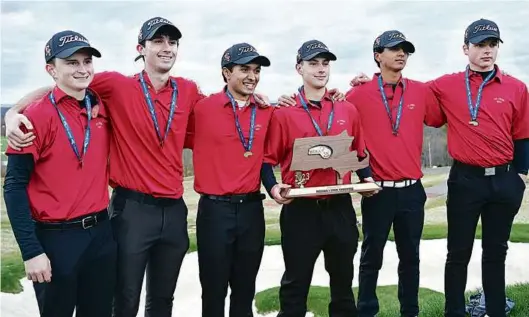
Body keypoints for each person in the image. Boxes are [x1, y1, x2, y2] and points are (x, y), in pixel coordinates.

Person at [5, 17, 204, 317]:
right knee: (122, 299)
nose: (167, 48)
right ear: (141, 48)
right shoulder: (114, 86)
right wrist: (13, 113)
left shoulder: (185, 90)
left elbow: (219, 112)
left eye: (172, 42)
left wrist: (262, 99)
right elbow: (57, 89)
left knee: (153, 301)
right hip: (114, 216)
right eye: (158, 41)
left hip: (146, 218)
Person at [350, 19, 528, 317]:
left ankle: (495, 310)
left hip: (502, 180)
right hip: (462, 180)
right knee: (455, 253)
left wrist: (520, 177)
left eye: (492, 45)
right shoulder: (444, 84)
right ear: (465, 48)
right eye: (480, 45)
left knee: (495, 252)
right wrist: (358, 82)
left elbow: (523, 135)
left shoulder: (514, 87)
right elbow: (373, 98)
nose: (487, 50)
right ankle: (452, 312)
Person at [3, 30, 116, 317]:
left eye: (87, 61)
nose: (82, 69)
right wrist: (30, 251)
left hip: (102, 234)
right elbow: (14, 186)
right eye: (72, 63)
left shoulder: (102, 106)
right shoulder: (35, 117)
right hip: (56, 240)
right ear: (51, 70)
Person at [261, 39, 376, 317]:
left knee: (343, 285)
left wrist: (368, 180)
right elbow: (266, 160)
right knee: (295, 285)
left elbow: (359, 152)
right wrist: (274, 188)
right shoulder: (284, 113)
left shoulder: (346, 109)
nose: (321, 69)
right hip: (302, 211)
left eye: (325, 63)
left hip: (339, 207)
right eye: (313, 63)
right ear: (299, 68)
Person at [344, 30, 445, 317]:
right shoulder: (358, 94)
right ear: (378, 56)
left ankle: (409, 312)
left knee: (410, 257)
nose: (402, 53)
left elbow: (438, 117)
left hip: (412, 190)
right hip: (377, 190)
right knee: (371, 256)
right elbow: (339, 124)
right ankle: (365, 311)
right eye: (394, 49)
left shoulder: (420, 90)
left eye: (406, 50)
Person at [185, 43, 273, 317]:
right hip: (215, 212)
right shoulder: (201, 109)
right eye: (244, 69)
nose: (252, 76)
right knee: (213, 290)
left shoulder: (266, 111)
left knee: (245, 289)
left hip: (251, 211)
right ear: (226, 73)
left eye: (256, 70)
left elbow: (268, 158)